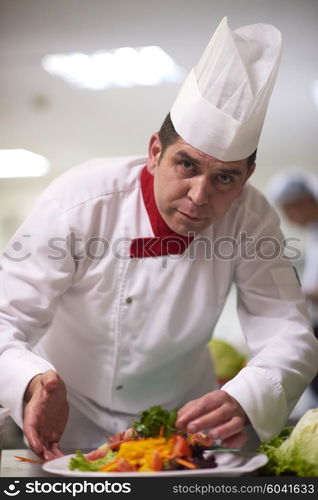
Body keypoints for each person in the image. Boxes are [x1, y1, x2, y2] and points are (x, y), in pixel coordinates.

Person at [1, 17, 318, 462]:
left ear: (246, 177)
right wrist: (32, 381)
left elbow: (288, 331)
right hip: (65, 423)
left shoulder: (252, 218)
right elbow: (4, 316)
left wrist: (248, 395)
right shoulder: (77, 202)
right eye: (187, 165)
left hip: (182, 429)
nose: (200, 196)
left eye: (225, 177)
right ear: (155, 152)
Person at [266, 170, 318, 399]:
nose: (289, 217)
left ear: (305, 202)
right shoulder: (313, 231)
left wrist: (292, 290)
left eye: (289, 210)